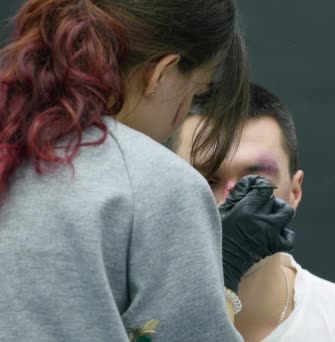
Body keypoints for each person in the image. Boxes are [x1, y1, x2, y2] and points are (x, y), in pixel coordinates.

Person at [0, 1, 294, 341]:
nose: (180, 118)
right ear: (161, 73)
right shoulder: (156, 182)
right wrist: (221, 279)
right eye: (195, 91)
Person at [173, 83, 335, 342]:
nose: (234, 203)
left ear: (294, 193)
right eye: (207, 181)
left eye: (256, 182)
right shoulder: (129, 317)